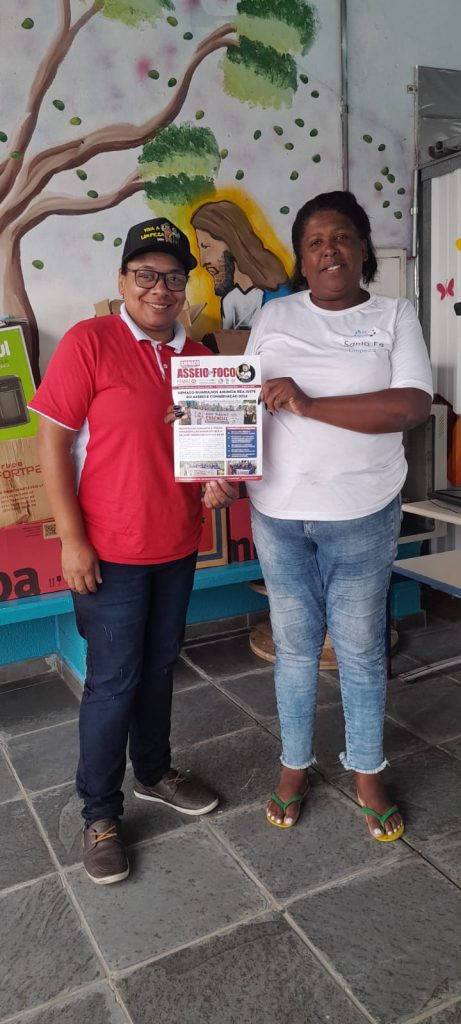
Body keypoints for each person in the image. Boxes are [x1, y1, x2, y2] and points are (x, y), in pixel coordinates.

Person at [29, 218, 236, 884]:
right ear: (122, 281)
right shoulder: (89, 343)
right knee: (113, 681)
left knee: (158, 667)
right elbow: (51, 443)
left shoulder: (202, 362)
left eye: (173, 277)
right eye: (145, 274)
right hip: (108, 552)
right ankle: (99, 814)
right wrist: (72, 540)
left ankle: (153, 771)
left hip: (175, 545)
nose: (160, 288)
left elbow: (209, 458)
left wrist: (219, 484)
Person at [245, 191, 433, 840]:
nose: (329, 249)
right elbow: (244, 401)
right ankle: (294, 764)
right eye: (315, 241)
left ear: (362, 249)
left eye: (342, 236)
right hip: (277, 513)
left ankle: (366, 769)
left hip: (361, 513)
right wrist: (210, 449)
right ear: (301, 259)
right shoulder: (274, 316)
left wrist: (307, 404)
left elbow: (410, 406)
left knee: (358, 649)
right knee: (295, 646)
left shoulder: (393, 315)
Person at [191, 200, 291, 328]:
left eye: (206, 246)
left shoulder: (280, 299)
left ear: (232, 242)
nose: (203, 261)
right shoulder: (229, 300)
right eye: (200, 248)